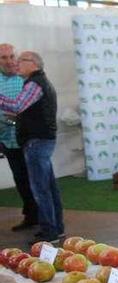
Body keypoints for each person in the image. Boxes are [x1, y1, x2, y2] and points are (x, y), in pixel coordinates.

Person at [0, 51, 63, 242]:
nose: (16, 63)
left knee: (41, 189)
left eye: (20, 60)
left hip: (37, 142)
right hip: (41, 140)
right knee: (49, 187)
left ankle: (49, 232)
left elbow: (18, 106)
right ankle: (56, 228)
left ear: (33, 64)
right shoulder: (38, 82)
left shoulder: (34, 83)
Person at [0, 43, 38, 231]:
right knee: (21, 179)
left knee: (35, 179)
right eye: (3, 58)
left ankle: (43, 218)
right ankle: (30, 216)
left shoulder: (25, 79)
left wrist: (14, 116)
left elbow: (29, 108)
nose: (8, 61)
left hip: (29, 138)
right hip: (7, 139)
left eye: (11, 57)